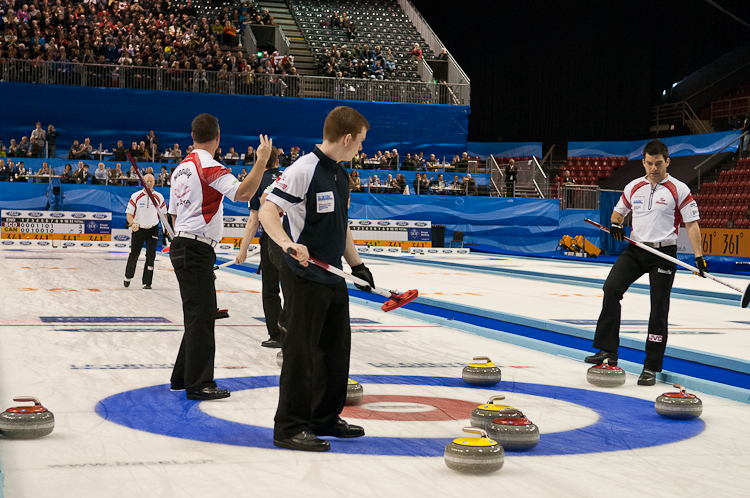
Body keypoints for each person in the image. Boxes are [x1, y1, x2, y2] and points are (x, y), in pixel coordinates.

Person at [259, 105, 374, 452]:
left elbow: (342, 225)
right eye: (361, 142)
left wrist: (357, 266)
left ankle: (324, 418)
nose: (361, 149)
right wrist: (287, 243)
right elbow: (267, 209)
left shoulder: (340, 173)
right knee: (301, 353)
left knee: (336, 352)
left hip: (333, 276)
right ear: (347, 138)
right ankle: (290, 427)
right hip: (304, 276)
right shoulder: (303, 169)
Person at [167, 113, 271, 401]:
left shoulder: (181, 168)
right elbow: (242, 192)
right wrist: (261, 160)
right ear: (218, 136)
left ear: (193, 136)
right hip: (195, 247)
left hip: (187, 245)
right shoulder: (208, 165)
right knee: (202, 317)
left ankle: (181, 377)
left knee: (198, 315)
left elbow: (174, 214)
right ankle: (199, 383)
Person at [585, 140, 705, 386]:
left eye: (658, 163)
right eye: (649, 163)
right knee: (611, 288)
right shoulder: (634, 186)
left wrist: (699, 257)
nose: (653, 168)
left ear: (667, 162)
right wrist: (617, 224)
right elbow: (618, 212)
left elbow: (692, 224)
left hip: (664, 253)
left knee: (659, 309)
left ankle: (651, 366)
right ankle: (608, 350)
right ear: (644, 162)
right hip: (636, 249)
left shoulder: (679, 189)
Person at [235, 146, 283, 348]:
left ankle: (277, 335)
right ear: (277, 162)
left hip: (272, 240)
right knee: (293, 289)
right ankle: (297, 333)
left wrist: (243, 249)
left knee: (270, 290)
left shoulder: (258, 183)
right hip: (294, 238)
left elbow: (253, 220)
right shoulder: (287, 177)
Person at [124, 173, 167, 290]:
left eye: (151, 181)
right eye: (146, 181)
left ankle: (147, 282)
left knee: (151, 256)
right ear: (143, 182)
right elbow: (129, 213)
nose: (149, 183)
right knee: (134, 254)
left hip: (153, 229)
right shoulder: (136, 196)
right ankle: (128, 276)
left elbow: (164, 214)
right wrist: (132, 224)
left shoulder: (159, 197)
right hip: (139, 229)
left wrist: (166, 229)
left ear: (154, 182)